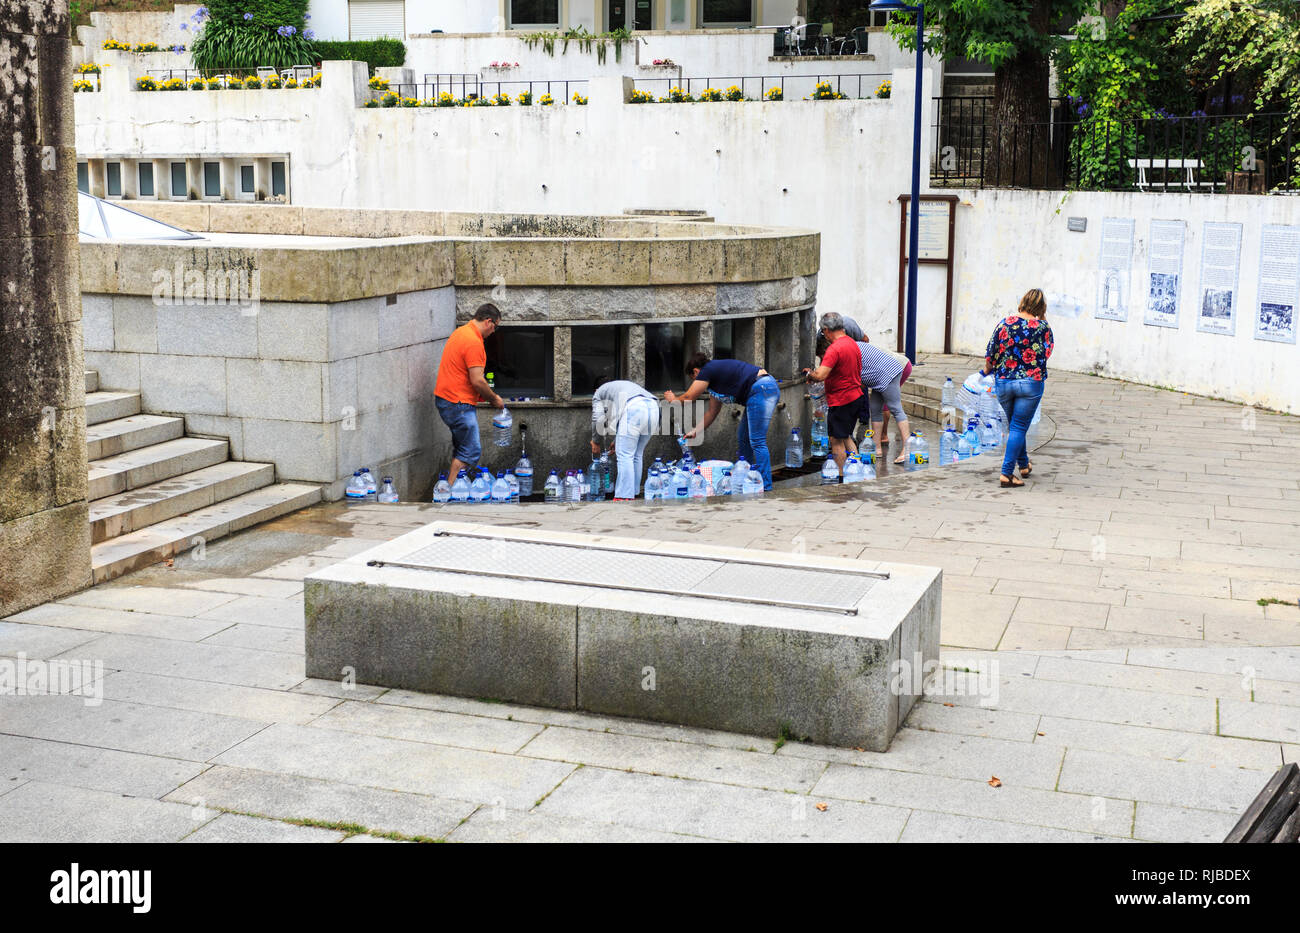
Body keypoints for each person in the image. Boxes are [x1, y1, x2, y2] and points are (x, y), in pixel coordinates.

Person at [667, 355, 779, 491]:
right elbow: (712, 412)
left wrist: (674, 400)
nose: (695, 384)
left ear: (696, 372)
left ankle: (765, 486)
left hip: (762, 388)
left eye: (694, 380)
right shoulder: (715, 382)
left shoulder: (707, 370)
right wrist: (696, 431)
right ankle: (745, 480)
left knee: (757, 441)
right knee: (743, 438)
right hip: (759, 391)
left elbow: (689, 396)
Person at [979, 288, 1054, 488]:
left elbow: (991, 353)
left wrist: (987, 370)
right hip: (1031, 383)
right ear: (1041, 307)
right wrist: (1042, 319)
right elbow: (1046, 354)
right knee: (1019, 427)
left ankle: (1023, 464)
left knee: (1015, 427)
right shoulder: (1043, 328)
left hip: (1004, 382)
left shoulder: (1005, 323)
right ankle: (1006, 473)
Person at [433, 303, 505, 479]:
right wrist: (494, 399)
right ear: (488, 322)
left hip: (447, 400)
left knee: (462, 448)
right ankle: (450, 494)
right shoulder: (474, 342)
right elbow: (478, 380)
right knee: (470, 451)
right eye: (495, 327)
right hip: (459, 404)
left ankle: (456, 489)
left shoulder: (461, 332)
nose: (494, 332)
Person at [802, 312, 864, 475]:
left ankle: (842, 476)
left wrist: (809, 374)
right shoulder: (852, 343)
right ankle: (856, 470)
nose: (824, 336)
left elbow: (821, 375)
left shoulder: (835, 348)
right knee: (846, 437)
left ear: (827, 330)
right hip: (856, 397)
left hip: (841, 400)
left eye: (823, 333)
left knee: (835, 440)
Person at [590, 379, 660, 500]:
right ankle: (634, 491)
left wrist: (595, 441)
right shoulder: (620, 386)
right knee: (637, 454)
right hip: (654, 408)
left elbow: (598, 419)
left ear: (596, 389)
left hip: (634, 409)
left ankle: (623, 495)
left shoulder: (598, 393)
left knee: (625, 455)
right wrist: (617, 441)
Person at [856, 339, 912, 464]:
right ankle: (876, 448)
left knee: (895, 408)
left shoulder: (847, 348)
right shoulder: (848, 346)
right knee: (875, 408)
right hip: (877, 376)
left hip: (889, 372)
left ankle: (908, 449)